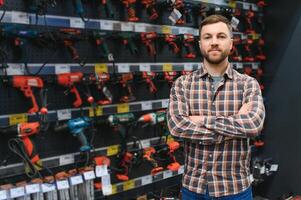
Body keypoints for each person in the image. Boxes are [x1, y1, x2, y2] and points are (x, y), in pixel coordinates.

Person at [167, 14, 266, 200]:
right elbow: (177, 127)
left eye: (221, 36)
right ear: (199, 44)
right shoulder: (182, 84)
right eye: (207, 37)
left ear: (231, 43)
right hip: (193, 188)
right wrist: (235, 125)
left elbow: (253, 125)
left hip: (235, 189)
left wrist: (202, 121)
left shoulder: (248, 84)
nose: (214, 42)